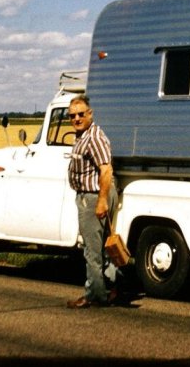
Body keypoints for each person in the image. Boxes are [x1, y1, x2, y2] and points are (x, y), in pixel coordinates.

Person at [65, 94, 118, 308]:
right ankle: (110, 288)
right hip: (93, 195)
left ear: (90, 114)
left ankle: (94, 294)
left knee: (92, 249)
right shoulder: (83, 135)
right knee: (103, 247)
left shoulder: (94, 137)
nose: (76, 119)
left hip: (94, 196)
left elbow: (106, 170)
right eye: (72, 116)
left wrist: (101, 201)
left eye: (80, 114)